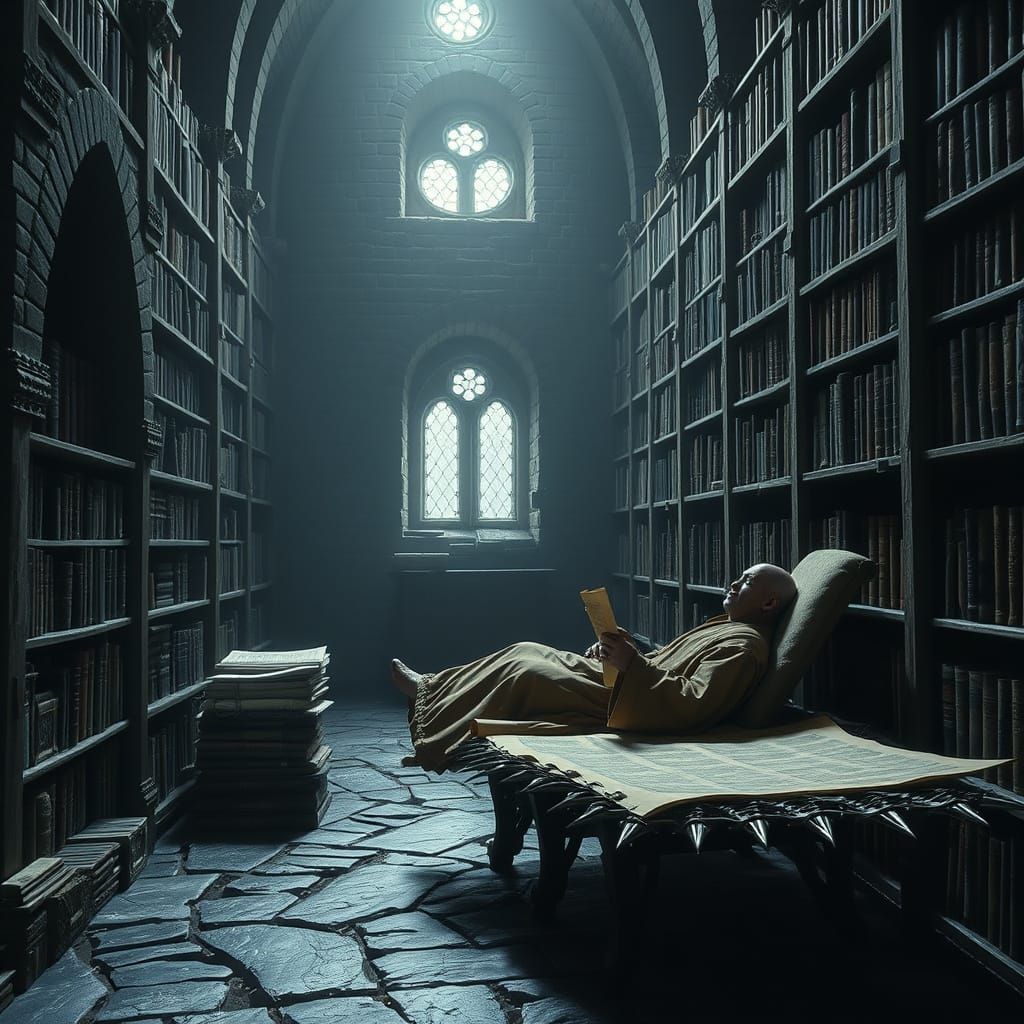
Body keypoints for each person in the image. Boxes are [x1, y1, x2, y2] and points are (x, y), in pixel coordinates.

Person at [391, 563, 797, 771]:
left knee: (529, 674)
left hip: (630, 705)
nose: (732, 584)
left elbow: (693, 704)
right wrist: (619, 654)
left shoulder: (744, 647)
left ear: (768, 603)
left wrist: (632, 666)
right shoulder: (728, 628)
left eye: (745, 582)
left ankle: (440, 740)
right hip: (627, 685)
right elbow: (665, 664)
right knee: (525, 648)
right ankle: (432, 687)